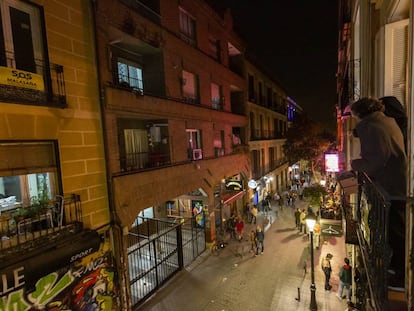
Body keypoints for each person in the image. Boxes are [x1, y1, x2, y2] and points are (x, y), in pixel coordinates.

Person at [350, 97, 407, 291]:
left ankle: (402, 276)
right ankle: (398, 268)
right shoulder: (385, 121)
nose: (354, 120)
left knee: (395, 232)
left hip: (390, 188)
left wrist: (354, 164)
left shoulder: (371, 126)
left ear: (359, 114)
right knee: (395, 230)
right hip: (396, 186)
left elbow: (375, 160)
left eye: (354, 116)